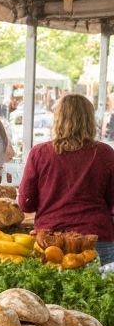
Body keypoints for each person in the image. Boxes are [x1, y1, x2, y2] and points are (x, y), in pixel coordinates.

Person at [18, 93, 114, 265]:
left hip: (50, 239)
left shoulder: (40, 153)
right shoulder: (105, 153)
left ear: (58, 119)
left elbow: (26, 204)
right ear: (90, 120)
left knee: (50, 291)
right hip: (96, 236)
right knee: (101, 291)